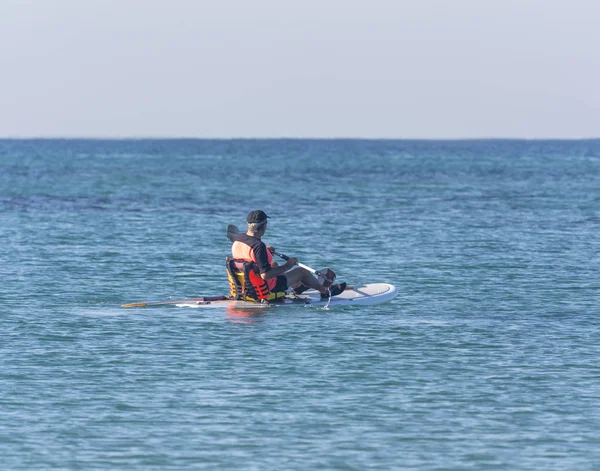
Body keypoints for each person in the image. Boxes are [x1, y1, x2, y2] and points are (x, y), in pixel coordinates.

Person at [231, 210, 346, 298]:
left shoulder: (239, 238)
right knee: (302, 272)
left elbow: (247, 256)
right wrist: (288, 265)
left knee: (274, 263)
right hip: (264, 289)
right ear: (264, 226)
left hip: (246, 286)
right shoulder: (258, 246)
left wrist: (265, 251)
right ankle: (325, 291)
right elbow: (265, 275)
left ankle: (298, 287)